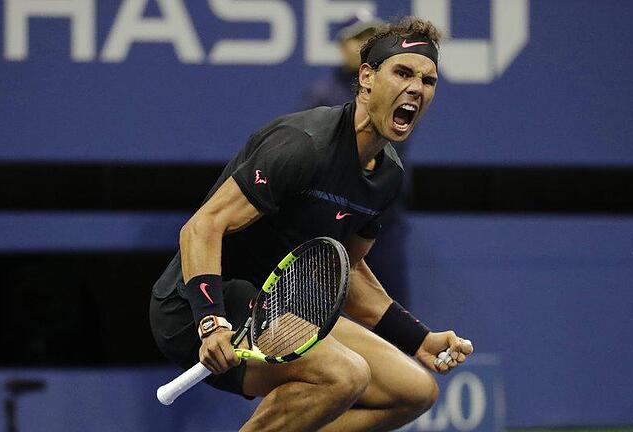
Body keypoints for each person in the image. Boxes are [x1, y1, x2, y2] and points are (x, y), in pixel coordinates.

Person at [150, 17, 474, 432]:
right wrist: (211, 321)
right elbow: (202, 226)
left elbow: (346, 270)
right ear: (367, 77)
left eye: (428, 80)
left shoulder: (387, 175)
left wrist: (419, 339)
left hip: (280, 306)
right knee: (345, 375)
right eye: (403, 72)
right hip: (198, 306)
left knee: (413, 391)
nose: (416, 88)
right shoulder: (304, 145)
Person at [299, 14, 413, 308]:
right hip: (334, 221)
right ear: (343, 47)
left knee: (390, 307)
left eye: (372, 41)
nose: (366, 46)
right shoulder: (321, 95)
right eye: (359, 40)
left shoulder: (394, 93)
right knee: (330, 309)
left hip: (382, 219)